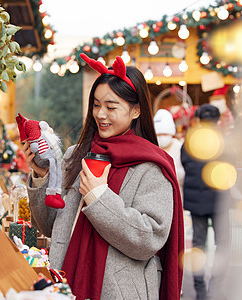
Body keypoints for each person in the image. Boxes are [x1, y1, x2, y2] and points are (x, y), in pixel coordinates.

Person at [21, 53, 184, 300]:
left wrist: (99, 197)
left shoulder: (152, 166)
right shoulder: (76, 156)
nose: (100, 114)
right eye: (96, 105)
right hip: (67, 283)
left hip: (121, 292)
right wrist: (44, 176)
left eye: (111, 107)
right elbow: (50, 226)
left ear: (137, 109)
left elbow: (150, 238)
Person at [180, 104, 229, 300]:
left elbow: (185, 163)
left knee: (199, 246)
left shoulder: (190, 141)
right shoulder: (224, 140)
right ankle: (215, 289)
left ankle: (200, 291)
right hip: (219, 201)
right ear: (218, 120)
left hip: (197, 202)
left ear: (198, 120)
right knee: (223, 245)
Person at [154, 109, 185, 195]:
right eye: (158, 135)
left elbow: (186, 173)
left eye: (165, 134)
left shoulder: (179, 147)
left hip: (177, 193)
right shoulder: (153, 148)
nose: (162, 138)